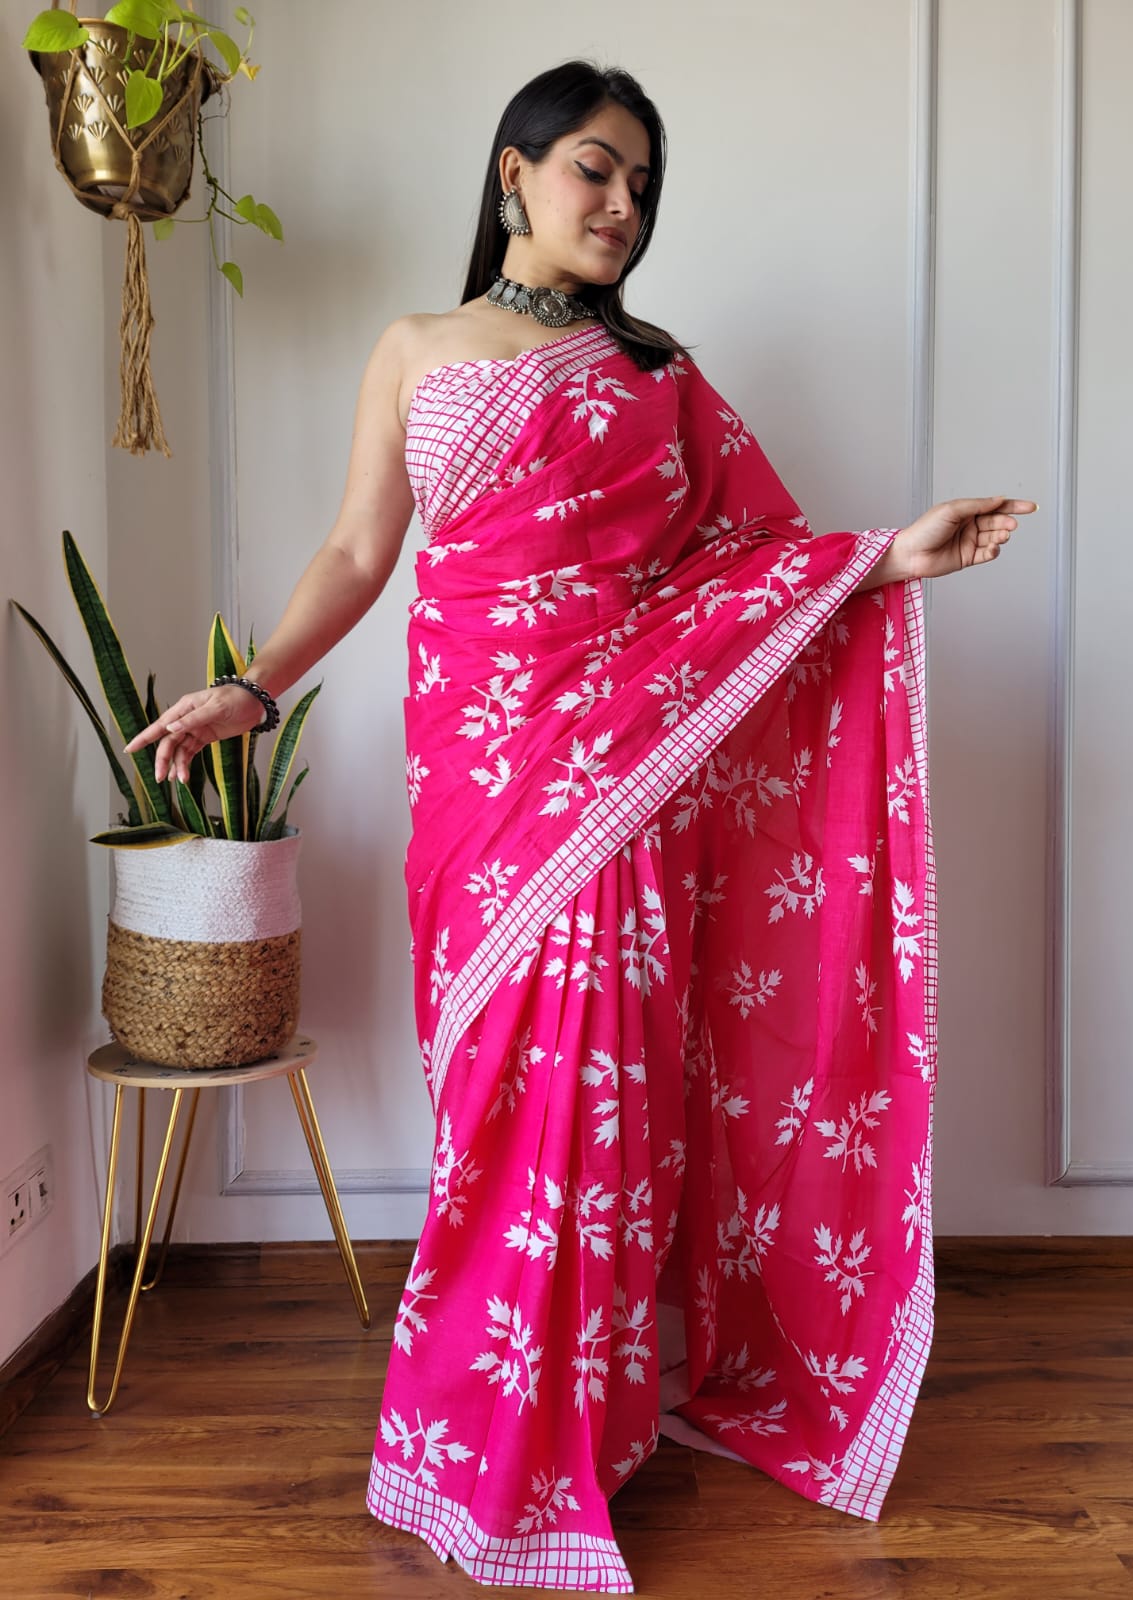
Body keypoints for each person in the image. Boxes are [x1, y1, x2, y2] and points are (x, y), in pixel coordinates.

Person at [128, 58, 1034, 1596]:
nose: (620, 207)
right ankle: (475, 1436)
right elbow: (360, 551)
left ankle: (585, 1434)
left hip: (621, 779)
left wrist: (887, 556)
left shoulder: (661, 374)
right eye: (595, 172)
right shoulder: (417, 347)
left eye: (640, 188)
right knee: (496, 1101)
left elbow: (748, 568)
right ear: (514, 172)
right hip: (479, 787)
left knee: (603, 1098)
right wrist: (253, 690)